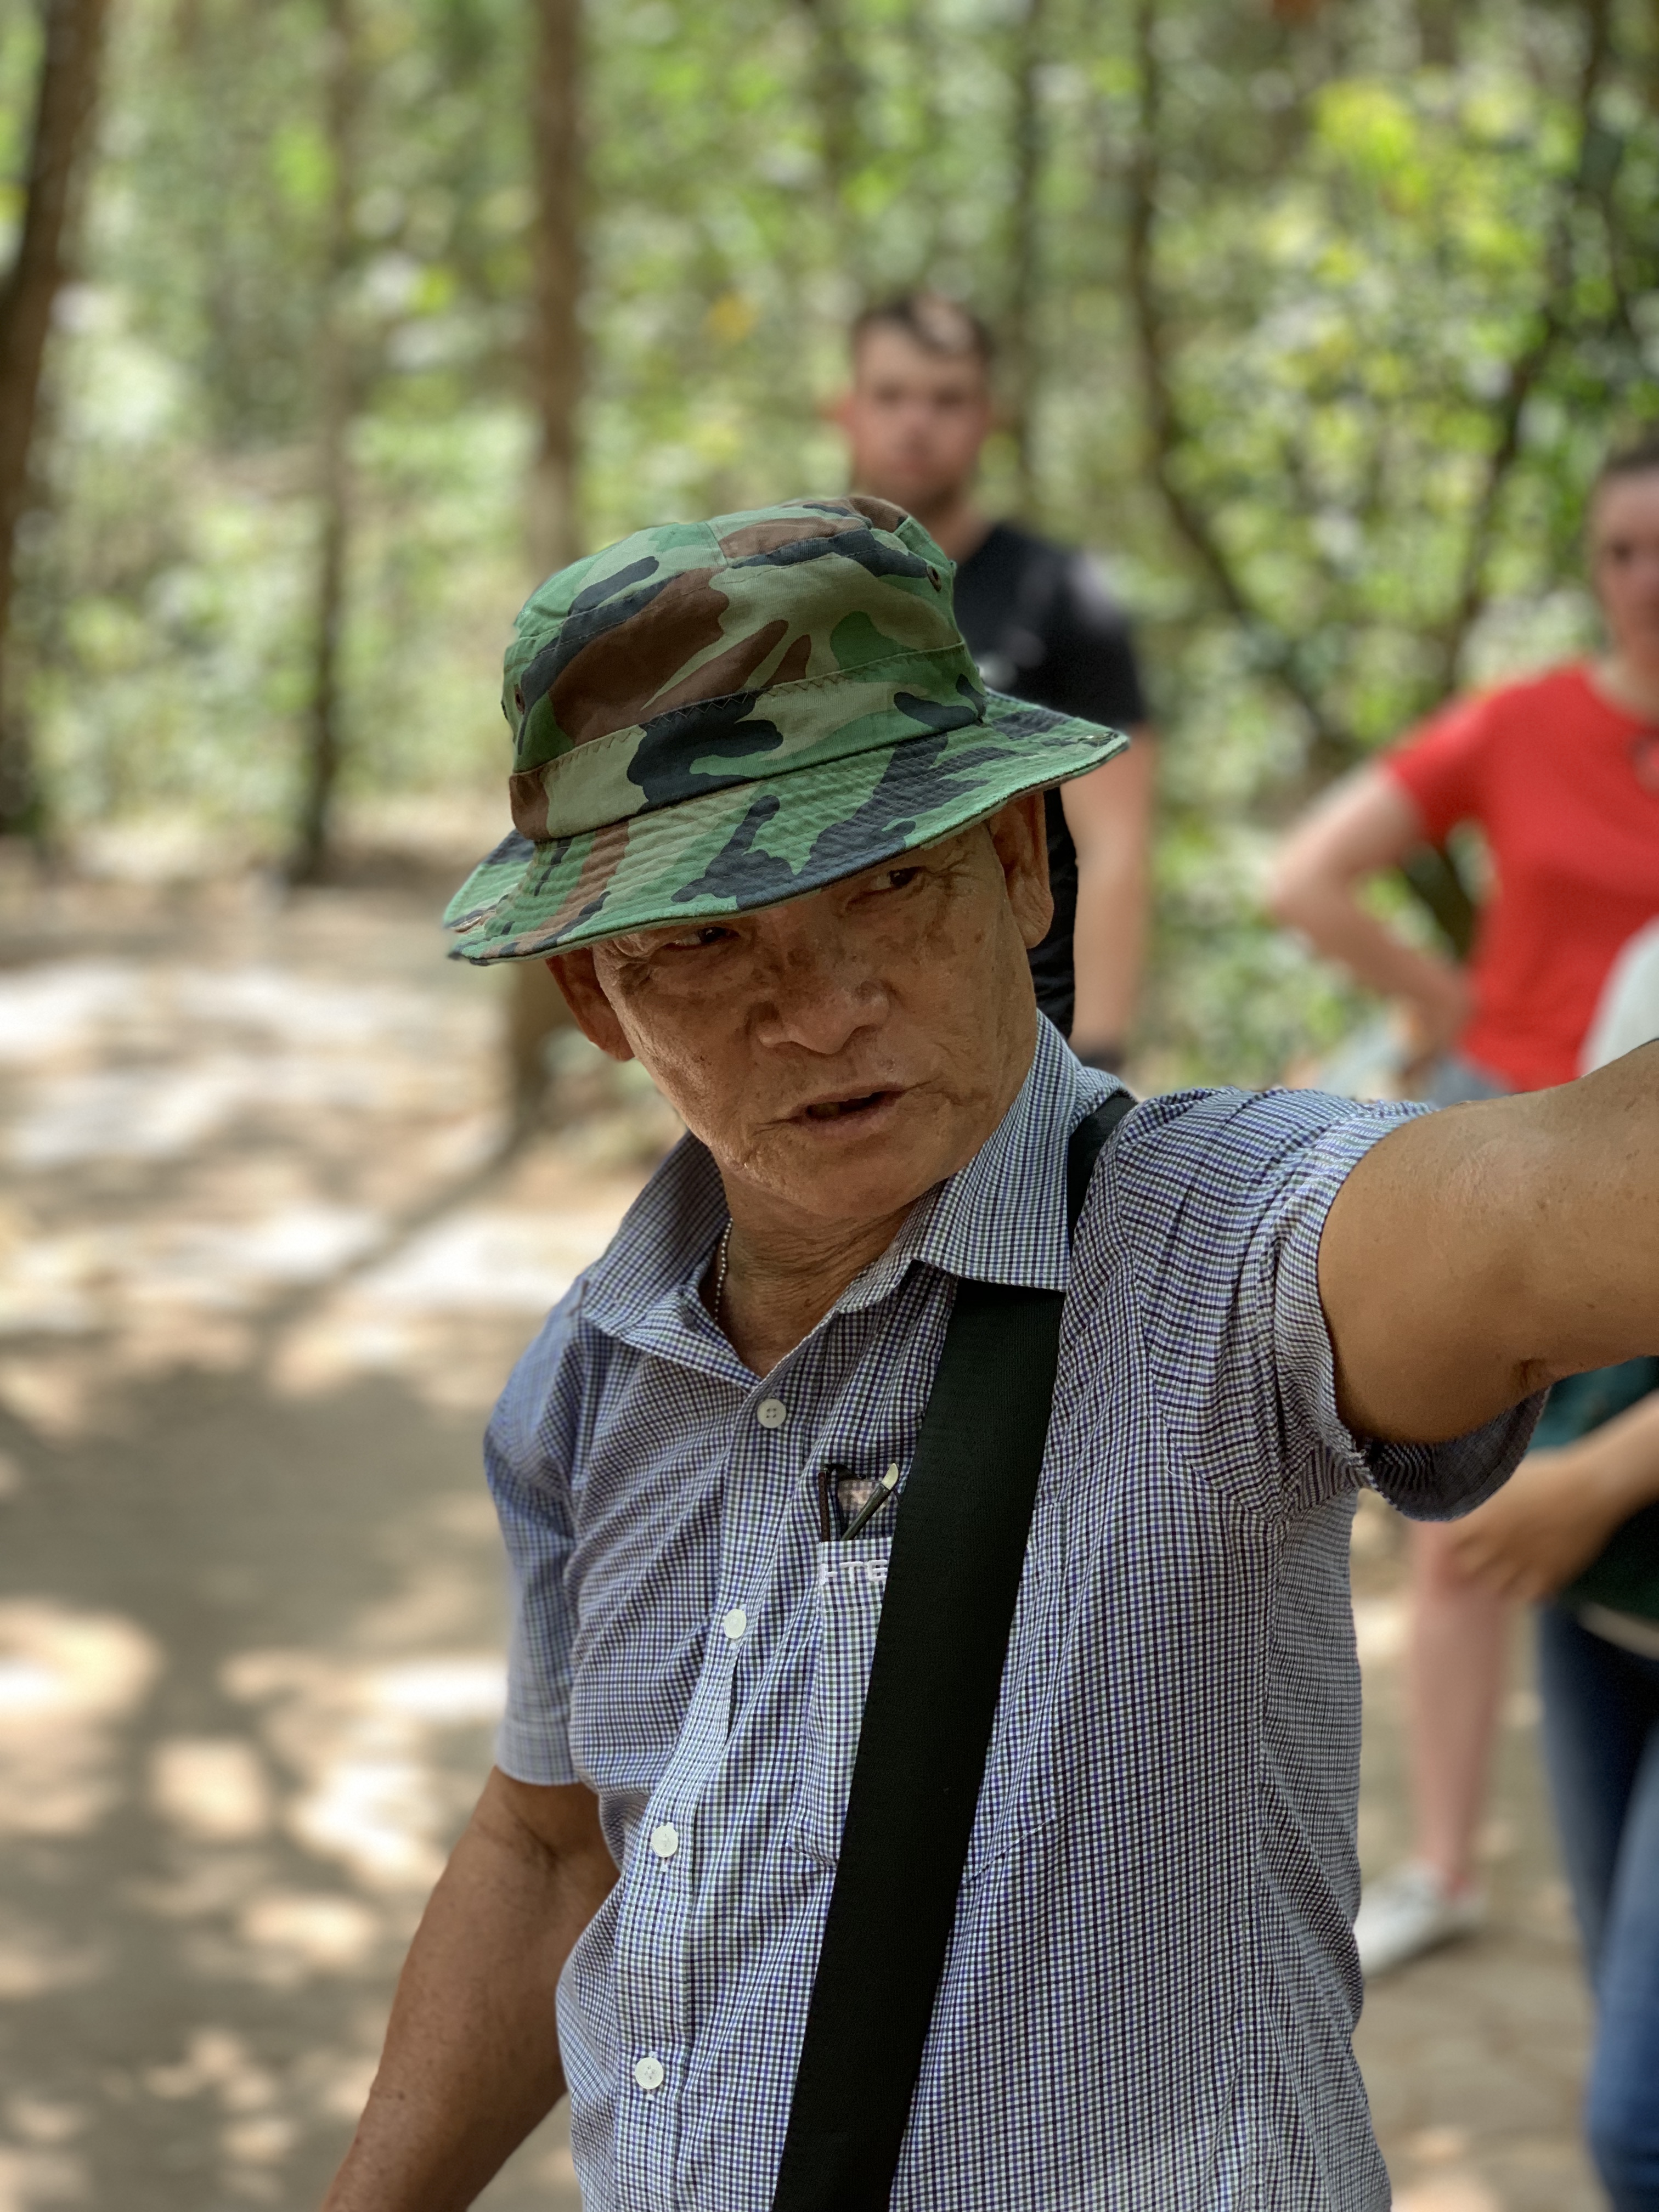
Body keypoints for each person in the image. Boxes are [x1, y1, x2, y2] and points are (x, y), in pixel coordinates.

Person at [324, 494, 1659, 2212]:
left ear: (1024, 861)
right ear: (600, 1001)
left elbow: (1553, 1210)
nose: (816, 1006)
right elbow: (552, 1839)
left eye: (886, 885)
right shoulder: (598, 1370)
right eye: (705, 942)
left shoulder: (1214, 1252)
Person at [1268, 434, 1659, 1976]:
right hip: (1509, 1145)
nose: (1648, 581)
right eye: (1621, 550)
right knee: (1468, 1508)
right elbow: (1307, 875)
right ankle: (1439, 1866)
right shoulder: (1525, 721)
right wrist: (1452, 1006)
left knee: (1604, 1506)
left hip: (1650, 1180)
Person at [1444, 938, 1659, 2212]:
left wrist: (1592, 1482)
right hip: (1596, 1597)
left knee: (1638, 2125)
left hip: (1594, 1523)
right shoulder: (1640, 958)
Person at [834, 290, 1155, 1066]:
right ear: (846, 410)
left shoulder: (1066, 596)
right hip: (840, 1027)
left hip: (1023, 1040)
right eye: (891, 395)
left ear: (988, 417)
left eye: (948, 399)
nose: (918, 421)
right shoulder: (791, 592)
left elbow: (1115, 844)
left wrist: (1097, 1056)